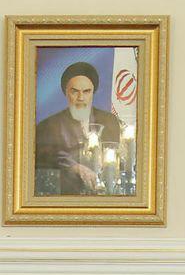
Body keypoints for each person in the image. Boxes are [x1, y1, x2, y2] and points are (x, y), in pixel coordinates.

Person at [34, 60, 122, 195]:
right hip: (65, 196)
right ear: (66, 93)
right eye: (75, 91)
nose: (81, 98)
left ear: (93, 93)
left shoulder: (109, 121)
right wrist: (73, 167)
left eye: (86, 91)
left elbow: (116, 159)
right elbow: (43, 156)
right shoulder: (48, 126)